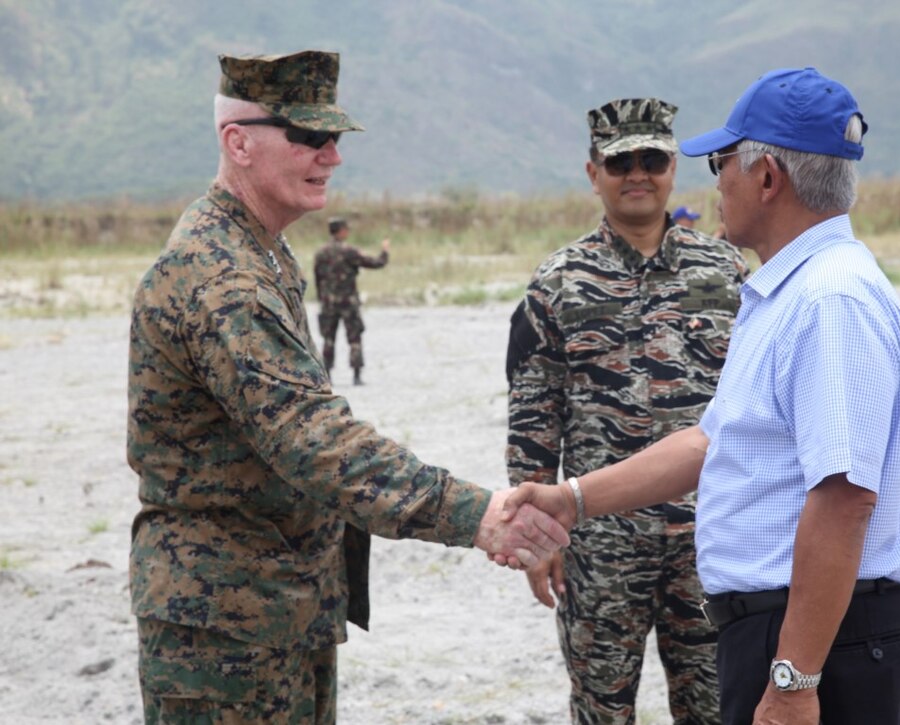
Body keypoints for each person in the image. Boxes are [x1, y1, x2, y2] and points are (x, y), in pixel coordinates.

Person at [127, 50, 569, 724]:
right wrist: (473, 512)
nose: (330, 155)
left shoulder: (259, 249)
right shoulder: (221, 276)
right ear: (237, 142)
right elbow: (311, 437)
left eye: (334, 137)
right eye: (307, 137)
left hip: (276, 608)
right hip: (223, 629)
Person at [502, 67, 900, 725]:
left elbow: (845, 496)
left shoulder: (826, 299)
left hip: (814, 629)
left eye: (722, 160)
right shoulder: (781, 291)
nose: (716, 178)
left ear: (767, 178)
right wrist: (568, 499)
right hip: (713, 595)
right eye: (621, 161)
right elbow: (714, 437)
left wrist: (792, 681)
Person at [505, 97, 748, 724]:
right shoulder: (557, 283)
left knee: (718, 706)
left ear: (673, 169)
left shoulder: (725, 272)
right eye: (620, 163)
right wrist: (536, 537)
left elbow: (757, 407)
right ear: (594, 174)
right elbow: (534, 418)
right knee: (601, 709)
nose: (637, 173)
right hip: (600, 546)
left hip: (710, 539)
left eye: (652, 159)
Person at [314, 217, 389, 385]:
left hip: (328, 303)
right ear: (341, 231)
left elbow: (317, 279)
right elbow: (376, 263)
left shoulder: (321, 253)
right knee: (354, 338)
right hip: (348, 302)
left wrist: (322, 299)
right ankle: (356, 375)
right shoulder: (349, 251)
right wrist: (385, 251)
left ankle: (327, 376)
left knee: (328, 339)